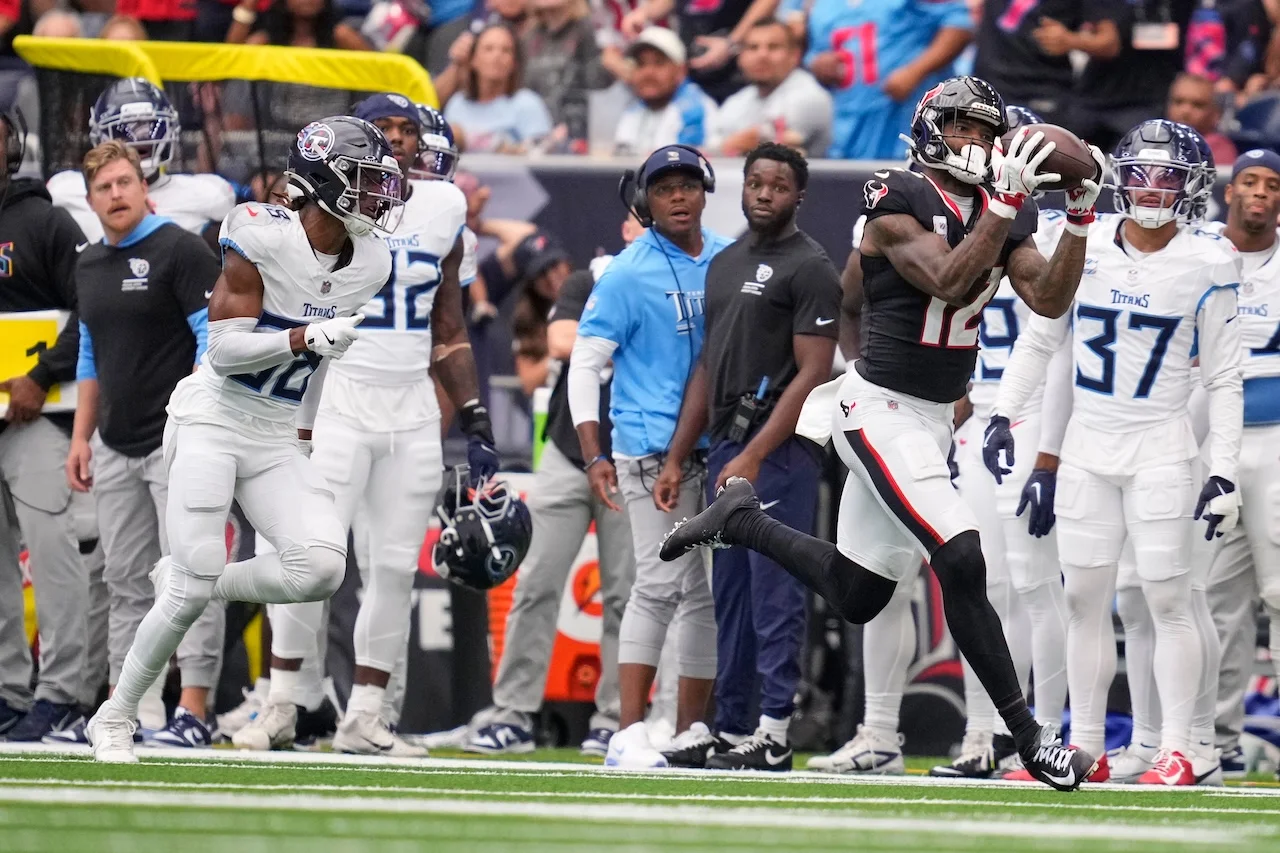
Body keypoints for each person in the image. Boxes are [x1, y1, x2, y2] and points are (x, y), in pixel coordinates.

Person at [661, 76, 1102, 791]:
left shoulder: (1003, 215)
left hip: (931, 420)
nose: (977, 144)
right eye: (961, 127)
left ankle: (742, 521)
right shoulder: (895, 195)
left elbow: (1048, 296)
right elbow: (951, 278)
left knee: (861, 593)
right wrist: (1005, 205)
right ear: (930, 128)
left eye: (985, 132)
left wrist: (1079, 216)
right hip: (877, 406)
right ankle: (1029, 740)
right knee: (961, 555)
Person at [83, 115, 402, 764]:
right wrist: (301, 338)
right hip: (212, 419)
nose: (380, 200)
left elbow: (318, 365)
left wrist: (306, 429)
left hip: (277, 433)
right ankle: (115, 716)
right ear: (326, 181)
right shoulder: (259, 233)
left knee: (319, 565)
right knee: (186, 588)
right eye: (367, 183)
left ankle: (196, 578)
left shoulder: (371, 259)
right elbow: (225, 352)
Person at [233, 96, 497, 756]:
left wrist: (474, 416)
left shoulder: (442, 209)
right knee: (307, 556)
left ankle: (368, 715)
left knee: (393, 570)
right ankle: (285, 702)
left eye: (409, 131)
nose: (399, 143)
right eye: (386, 131)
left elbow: (449, 327)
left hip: (410, 408)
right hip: (337, 398)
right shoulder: (320, 208)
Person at [987, 119, 1243, 786]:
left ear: (1192, 187)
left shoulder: (1209, 261)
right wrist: (1004, 415)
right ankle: (1087, 746)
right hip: (1086, 447)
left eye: (1167, 175)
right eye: (1141, 172)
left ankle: (1182, 747)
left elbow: (1222, 377)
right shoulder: (1085, 241)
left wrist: (1222, 469)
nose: (1151, 186)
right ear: (1117, 177)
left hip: (1161, 444)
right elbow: (1042, 340)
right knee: (1083, 600)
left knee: (1169, 602)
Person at [654, 142, 839, 772]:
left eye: (778, 185)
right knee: (728, 591)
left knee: (775, 590)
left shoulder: (811, 266)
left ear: (799, 196)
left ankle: (775, 727)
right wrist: (682, 452)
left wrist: (759, 452)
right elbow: (709, 364)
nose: (764, 193)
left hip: (780, 450)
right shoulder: (725, 261)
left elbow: (814, 372)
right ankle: (729, 726)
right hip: (728, 446)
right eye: (755, 182)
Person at [568, 143, 733, 769]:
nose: (679, 196)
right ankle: (627, 731)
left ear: (706, 189)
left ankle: (688, 728)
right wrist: (593, 454)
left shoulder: (725, 258)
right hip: (647, 451)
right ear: (646, 200)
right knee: (659, 584)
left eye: (688, 184)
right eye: (664, 188)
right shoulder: (628, 273)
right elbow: (585, 366)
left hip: (712, 452)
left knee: (700, 595)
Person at [64, 141, 227, 749]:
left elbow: (216, 335)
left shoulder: (179, 249)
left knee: (190, 571)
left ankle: (194, 707)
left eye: (124, 182)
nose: (116, 194)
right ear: (91, 200)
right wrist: (81, 437)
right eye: (104, 187)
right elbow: (88, 352)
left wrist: (207, 422)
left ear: (143, 186)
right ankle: (132, 708)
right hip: (113, 443)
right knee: (127, 579)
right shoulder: (88, 263)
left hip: (176, 441)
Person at [465, 220, 639, 758]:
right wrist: (629, 338)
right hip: (568, 449)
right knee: (535, 583)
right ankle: (514, 712)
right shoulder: (590, 279)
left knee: (625, 595)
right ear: (628, 224)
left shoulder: (675, 287)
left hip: (634, 453)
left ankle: (615, 718)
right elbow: (561, 341)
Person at [0, 108, 91, 742]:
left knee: (54, 556)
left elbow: (95, 306)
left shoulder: (45, 221)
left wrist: (44, 377)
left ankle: (65, 691)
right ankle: (7, 692)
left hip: (37, 418)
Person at [1194, 148, 1280, 784]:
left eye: (1272, 185)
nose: (1260, 194)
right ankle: (1215, 739)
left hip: (1276, 439)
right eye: (1248, 181)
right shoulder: (1201, 255)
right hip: (1212, 443)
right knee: (1214, 599)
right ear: (1229, 191)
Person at [47, 78, 236, 246]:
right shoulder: (64, 191)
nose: (139, 140)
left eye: (149, 127)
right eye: (123, 129)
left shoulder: (208, 195)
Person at [803, 0, 973, 159]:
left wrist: (916, 71)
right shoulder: (823, 7)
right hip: (848, 127)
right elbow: (816, 54)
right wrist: (818, 65)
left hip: (905, 122)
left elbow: (959, 24)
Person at [710, 18, 833, 157]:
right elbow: (712, 151)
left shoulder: (809, 96)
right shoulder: (736, 102)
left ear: (795, 55)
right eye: (753, 47)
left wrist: (729, 145)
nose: (762, 55)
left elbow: (771, 149)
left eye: (773, 47)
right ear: (740, 57)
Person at [444, 22, 553, 154]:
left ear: (514, 62)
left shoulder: (528, 103)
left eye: (506, 50)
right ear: (473, 59)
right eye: (489, 49)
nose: (497, 56)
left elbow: (542, 158)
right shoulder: (457, 103)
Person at [612, 27, 719, 157]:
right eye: (641, 64)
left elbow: (681, 173)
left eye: (659, 63)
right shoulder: (634, 109)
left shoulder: (695, 109)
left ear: (681, 70)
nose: (648, 72)